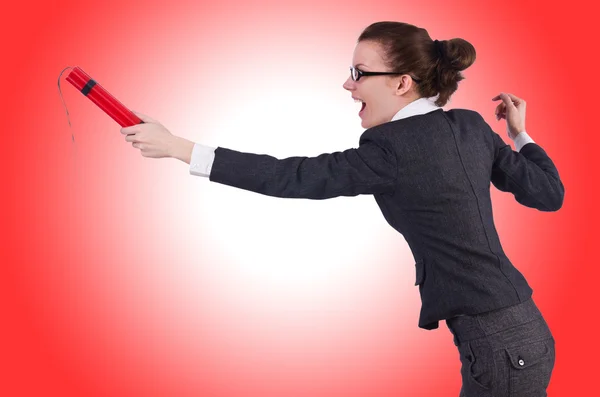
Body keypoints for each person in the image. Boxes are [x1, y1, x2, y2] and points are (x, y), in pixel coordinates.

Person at [120, 21, 564, 397]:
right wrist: (519, 134)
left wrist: (179, 148)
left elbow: (291, 176)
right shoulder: (469, 125)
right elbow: (549, 193)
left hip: (498, 348)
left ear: (401, 82)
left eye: (359, 72)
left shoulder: (389, 150)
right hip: (524, 330)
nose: (348, 84)